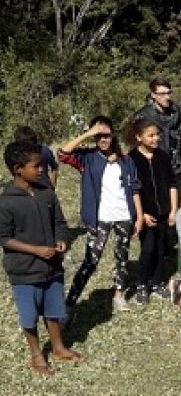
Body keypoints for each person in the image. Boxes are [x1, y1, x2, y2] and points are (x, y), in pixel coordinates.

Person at [0, 140, 84, 376]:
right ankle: (37, 355)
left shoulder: (47, 193)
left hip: (52, 267)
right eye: (36, 166)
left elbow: (60, 223)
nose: (42, 170)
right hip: (24, 271)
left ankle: (58, 347)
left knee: (53, 309)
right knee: (29, 315)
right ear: (18, 169)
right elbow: (4, 238)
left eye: (43, 166)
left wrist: (62, 240)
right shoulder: (6, 202)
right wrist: (35, 250)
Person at [58, 116, 143, 313]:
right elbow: (62, 154)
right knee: (91, 261)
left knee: (122, 257)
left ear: (113, 135)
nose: (103, 140)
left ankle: (119, 294)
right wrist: (88, 134)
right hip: (100, 219)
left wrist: (138, 217)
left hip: (124, 216)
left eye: (106, 135)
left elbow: (135, 189)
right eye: (99, 137)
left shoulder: (126, 160)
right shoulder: (87, 158)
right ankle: (70, 302)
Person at [128, 118, 179, 305]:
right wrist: (140, 215)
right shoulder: (131, 159)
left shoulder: (163, 157)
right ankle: (141, 283)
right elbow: (131, 190)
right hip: (146, 214)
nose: (156, 138)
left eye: (157, 134)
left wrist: (173, 210)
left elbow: (172, 184)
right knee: (148, 249)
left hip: (164, 213)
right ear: (138, 137)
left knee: (161, 248)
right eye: (151, 135)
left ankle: (157, 282)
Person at [133, 78, 181, 183]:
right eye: (162, 94)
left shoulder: (177, 112)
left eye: (169, 93)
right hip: (152, 166)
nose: (167, 97)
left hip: (176, 168)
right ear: (153, 95)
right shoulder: (143, 115)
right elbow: (135, 142)